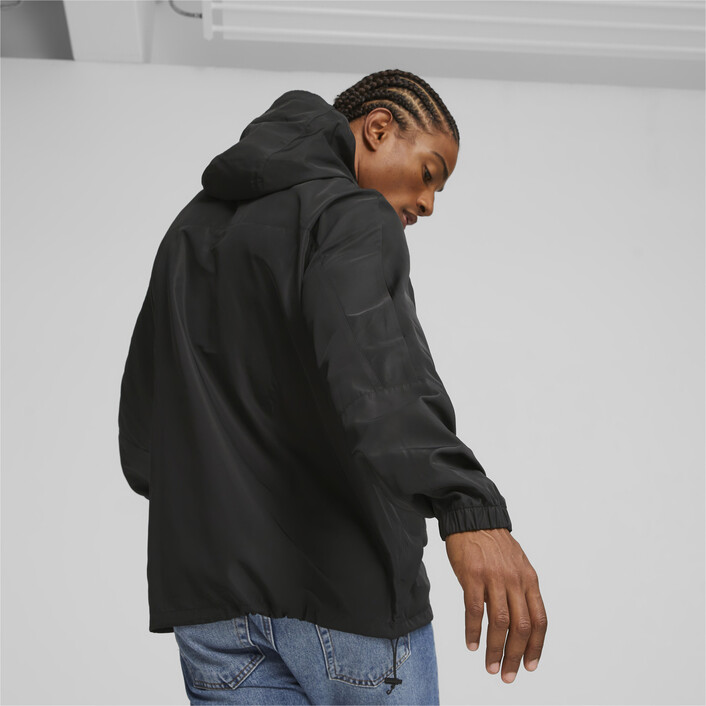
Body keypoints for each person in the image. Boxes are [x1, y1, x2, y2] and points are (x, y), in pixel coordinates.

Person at [118, 68, 547, 705]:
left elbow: (143, 442)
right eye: (429, 173)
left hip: (211, 613)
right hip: (347, 600)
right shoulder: (349, 215)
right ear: (378, 128)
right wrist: (469, 508)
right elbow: (381, 382)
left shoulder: (188, 230)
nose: (429, 204)